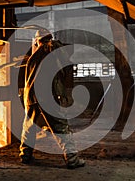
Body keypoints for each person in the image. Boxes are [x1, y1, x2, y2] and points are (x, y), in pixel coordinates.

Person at [18, 29, 85, 169]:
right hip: (48, 96)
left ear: (37, 41)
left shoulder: (33, 57)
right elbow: (65, 59)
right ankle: (72, 159)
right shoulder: (52, 49)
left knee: (29, 128)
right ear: (49, 39)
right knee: (60, 127)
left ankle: (25, 155)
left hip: (31, 97)